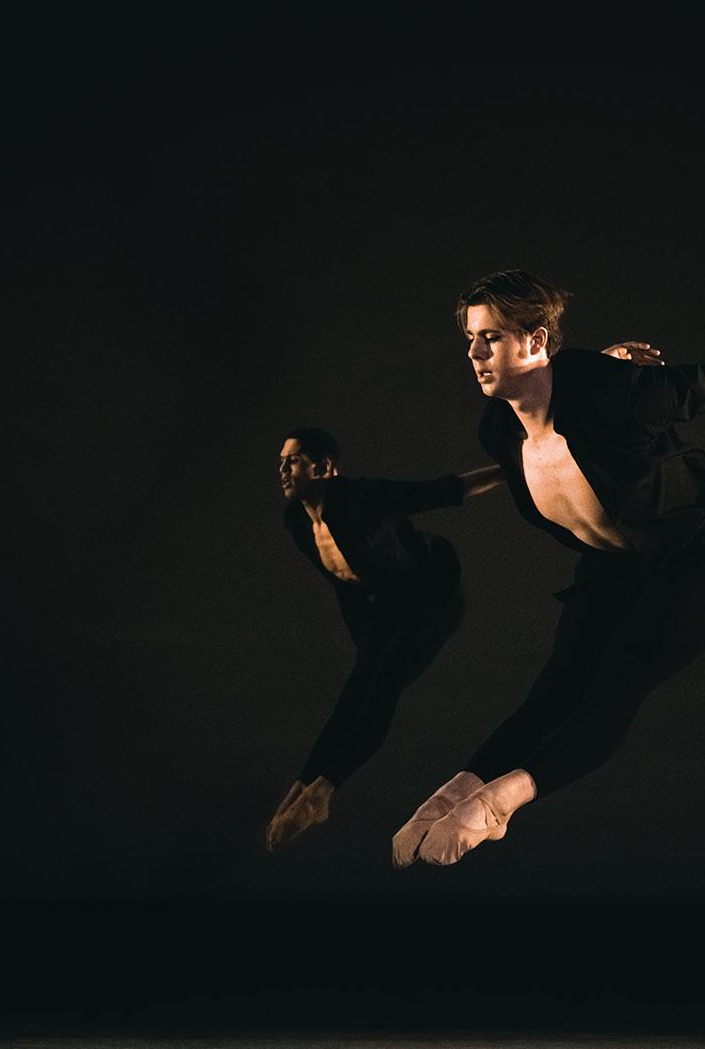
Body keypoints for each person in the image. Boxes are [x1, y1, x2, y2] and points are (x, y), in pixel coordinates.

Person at [392, 269, 705, 867]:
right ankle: (453, 793)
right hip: (617, 562)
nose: (473, 353)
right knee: (557, 686)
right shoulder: (498, 429)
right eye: (470, 338)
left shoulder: (618, 393)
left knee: (621, 674)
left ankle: (498, 807)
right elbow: (556, 407)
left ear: (536, 341)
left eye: (490, 337)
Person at [268, 341, 663, 851]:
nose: (283, 470)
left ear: (324, 468)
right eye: (281, 462)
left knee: (382, 685)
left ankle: (322, 789)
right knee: (359, 683)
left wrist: (513, 462)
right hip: (386, 609)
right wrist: (364, 638)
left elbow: (442, 491)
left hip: (433, 599)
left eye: (294, 461)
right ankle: (305, 783)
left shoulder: (358, 497)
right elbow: (344, 585)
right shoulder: (295, 522)